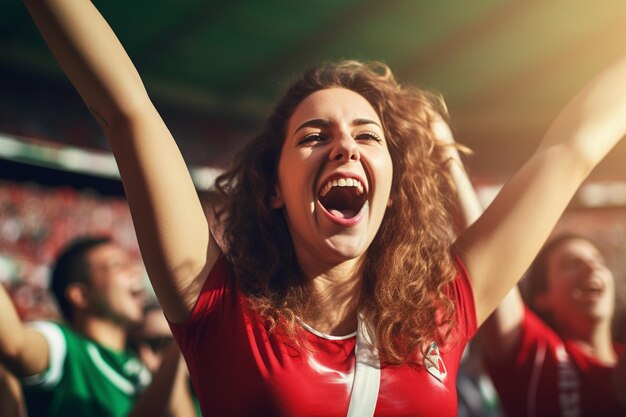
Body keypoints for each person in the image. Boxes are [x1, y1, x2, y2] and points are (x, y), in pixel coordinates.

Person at [21, 0, 626, 415]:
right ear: (271, 189)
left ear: (394, 188)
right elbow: (126, 110)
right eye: (314, 136)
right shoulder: (219, 309)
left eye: (368, 136)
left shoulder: (446, 309)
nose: (344, 146)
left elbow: (573, 148)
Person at [480, 234, 626, 416]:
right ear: (542, 297)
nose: (592, 267)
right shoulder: (536, 353)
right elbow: (488, 263)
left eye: (599, 261)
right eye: (571, 264)